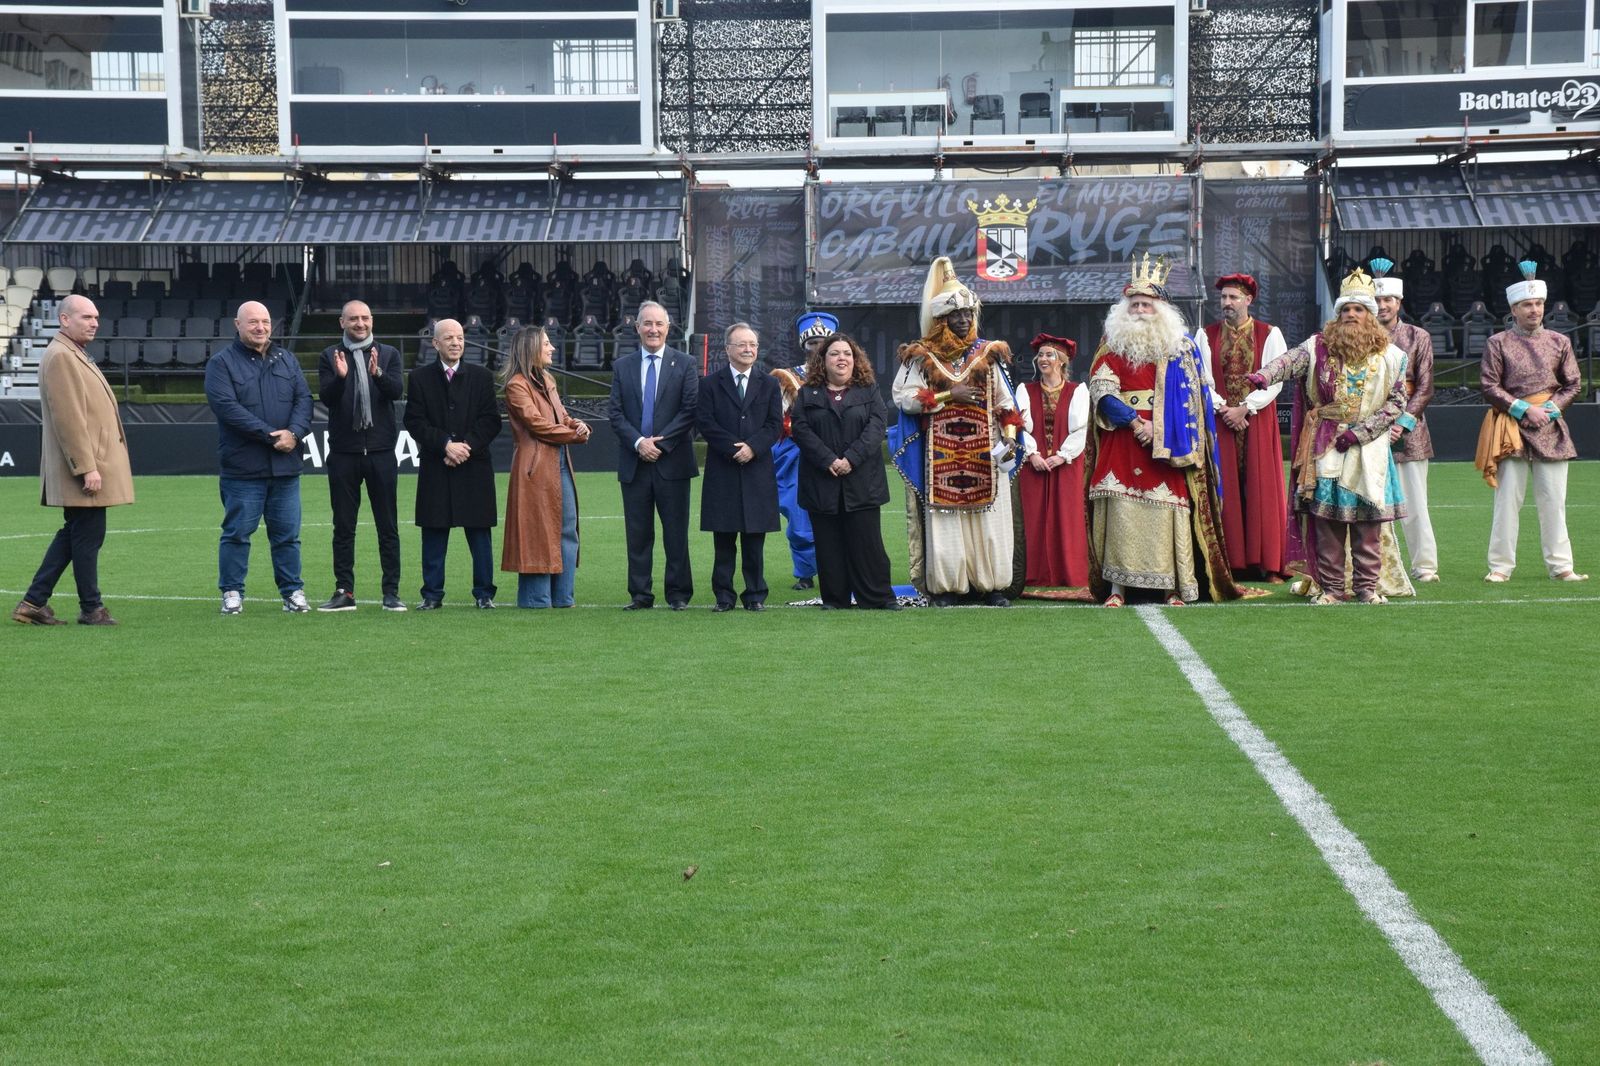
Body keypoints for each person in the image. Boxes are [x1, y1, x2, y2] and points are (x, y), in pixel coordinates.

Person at [1085, 254, 1240, 607]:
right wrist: (1135, 421)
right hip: (1123, 439)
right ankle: (1117, 590)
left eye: (1147, 304)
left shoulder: (1181, 348)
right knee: (1122, 514)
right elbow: (1102, 391)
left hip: (1169, 444)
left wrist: (1161, 428)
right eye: (1134, 304)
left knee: (1167, 513)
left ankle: (1174, 587)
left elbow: (1195, 403)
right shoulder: (1112, 347)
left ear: (1161, 309)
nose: (1140, 309)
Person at [1248, 269, 1409, 604]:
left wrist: (1361, 433)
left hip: (1370, 449)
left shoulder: (1393, 357)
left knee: (1368, 524)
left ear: (1370, 316)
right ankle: (1333, 588)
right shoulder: (1317, 347)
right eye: (1345, 310)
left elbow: (1397, 404)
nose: (1351, 315)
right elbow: (1289, 362)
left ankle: (1366, 588)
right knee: (1327, 523)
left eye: (1358, 309)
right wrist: (1264, 376)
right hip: (1326, 445)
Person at [891, 256, 1023, 607]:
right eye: (956, 315)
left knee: (988, 519)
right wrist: (951, 394)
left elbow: (1006, 404)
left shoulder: (988, 353)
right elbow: (904, 398)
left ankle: (991, 586)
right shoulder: (922, 356)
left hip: (986, 453)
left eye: (968, 314)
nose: (964, 320)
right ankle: (947, 588)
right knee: (945, 521)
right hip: (941, 455)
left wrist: (1009, 437)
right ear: (942, 318)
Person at [11, 295, 133, 627]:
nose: (94, 322)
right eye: (86, 317)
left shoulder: (71, 353)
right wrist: (86, 467)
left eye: (96, 317)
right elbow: (69, 419)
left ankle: (34, 602)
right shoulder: (63, 356)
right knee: (86, 535)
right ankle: (91, 608)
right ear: (65, 320)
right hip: (84, 467)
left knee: (77, 533)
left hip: (86, 464)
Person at [1475, 261, 1588, 583]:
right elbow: (1489, 385)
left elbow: (1573, 384)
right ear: (1514, 309)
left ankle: (1561, 566)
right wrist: (1524, 409)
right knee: (1507, 501)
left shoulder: (1559, 342)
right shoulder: (1497, 343)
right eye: (1527, 304)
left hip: (1551, 426)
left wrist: (1549, 410)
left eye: (1538, 303)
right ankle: (1500, 566)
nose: (1534, 309)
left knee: (1554, 501)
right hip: (1510, 428)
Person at [205, 300, 313, 615]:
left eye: (265, 322)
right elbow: (227, 408)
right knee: (237, 533)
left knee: (288, 536)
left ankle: (292, 592)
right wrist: (270, 436)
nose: (260, 328)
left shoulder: (287, 360)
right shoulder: (221, 363)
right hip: (243, 469)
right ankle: (232, 592)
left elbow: (304, 400)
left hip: (286, 467)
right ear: (237, 325)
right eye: (253, 322)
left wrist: (293, 432)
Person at [789, 333, 899, 610]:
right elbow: (800, 429)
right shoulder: (807, 393)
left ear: (855, 359)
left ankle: (878, 598)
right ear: (823, 361)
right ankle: (835, 599)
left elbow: (876, 427)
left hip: (862, 481)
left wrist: (850, 459)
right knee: (828, 546)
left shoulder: (869, 390)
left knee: (868, 544)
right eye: (835, 353)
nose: (841, 358)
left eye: (847, 354)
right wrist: (828, 460)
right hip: (821, 481)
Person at [1193, 272, 1289, 582]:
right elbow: (1202, 378)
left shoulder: (1269, 334)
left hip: (1258, 419)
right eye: (1223, 298)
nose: (1227, 303)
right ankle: (1231, 561)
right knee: (1225, 487)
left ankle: (1268, 562)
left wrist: (1246, 407)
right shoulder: (1205, 335)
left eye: (1233, 297)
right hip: (1221, 420)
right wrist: (1224, 408)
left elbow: (1277, 377)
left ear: (1248, 300)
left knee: (1262, 486)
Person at [403, 318, 503, 609]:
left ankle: (484, 594)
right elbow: (414, 421)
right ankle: (432, 595)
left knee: (480, 532)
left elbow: (491, 421)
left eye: (460, 337)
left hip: (474, 466)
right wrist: (445, 444)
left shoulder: (482, 376)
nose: (456, 342)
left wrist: (466, 446)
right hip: (437, 466)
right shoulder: (420, 378)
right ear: (435, 343)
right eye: (449, 338)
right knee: (434, 532)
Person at [607, 299, 699, 610]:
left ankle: (678, 594)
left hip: (672, 463)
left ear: (668, 328)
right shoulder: (622, 366)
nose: (653, 329)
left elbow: (689, 411)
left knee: (676, 535)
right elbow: (616, 414)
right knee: (638, 534)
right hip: (634, 464)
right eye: (647, 323)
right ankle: (640, 594)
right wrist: (638, 443)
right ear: (637, 328)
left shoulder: (685, 363)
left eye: (659, 324)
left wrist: (659, 445)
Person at [315, 299, 405, 612]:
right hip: (343, 453)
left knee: (388, 526)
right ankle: (344, 591)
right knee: (343, 526)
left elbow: (396, 391)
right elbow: (326, 398)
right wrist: (340, 378)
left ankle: (391, 592)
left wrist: (377, 372)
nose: (360, 324)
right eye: (353, 319)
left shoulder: (389, 353)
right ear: (342, 322)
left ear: (372, 321)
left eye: (365, 318)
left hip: (381, 452)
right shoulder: (330, 356)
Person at [500, 326, 591, 608]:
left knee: (567, 528)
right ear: (531, 349)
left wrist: (577, 425)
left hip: (559, 461)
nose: (552, 348)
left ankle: (563, 597)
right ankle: (537, 600)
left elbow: (561, 416)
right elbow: (537, 426)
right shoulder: (516, 385)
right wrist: (574, 435)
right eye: (547, 344)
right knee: (537, 532)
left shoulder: (547, 379)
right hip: (535, 468)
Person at [697, 322, 783, 612]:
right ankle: (724, 596)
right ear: (728, 349)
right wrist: (734, 448)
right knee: (723, 540)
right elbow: (705, 423)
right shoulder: (710, 383)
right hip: (723, 471)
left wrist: (753, 448)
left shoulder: (770, 383)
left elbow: (774, 425)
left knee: (754, 540)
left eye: (753, 345)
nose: (748, 349)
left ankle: (755, 594)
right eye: (742, 344)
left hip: (757, 470)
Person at [1370, 258, 1439, 582]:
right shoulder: (1358, 337)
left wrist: (1402, 422)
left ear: (1399, 303)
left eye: (1388, 300)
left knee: (1415, 503)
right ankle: (1377, 566)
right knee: (1372, 503)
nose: (1383, 305)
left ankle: (1424, 566)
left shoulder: (1417, 336)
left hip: (1410, 430)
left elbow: (1425, 386)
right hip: (1368, 428)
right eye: (1377, 300)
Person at [1015, 333, 1090, 595]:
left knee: (1066, 517)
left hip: (1066, 464)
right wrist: (1032, 454)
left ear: (1062, 361)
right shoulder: (1025, 390)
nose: (1044, 359)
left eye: (1050, 355)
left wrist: (1062, 455)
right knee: (1032, 517)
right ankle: (1032, 574)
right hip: (1032, 464)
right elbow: (1020, 426)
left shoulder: (1078, 391)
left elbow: (1081, 429)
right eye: (1041, 355)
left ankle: (1066, 573)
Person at [770, 311, 832, 590]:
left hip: (836, 454)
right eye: (812, 342)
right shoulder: (787, 378)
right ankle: (805, 572)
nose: (818, 348)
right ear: (804, 345)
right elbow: (779, 420)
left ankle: (838, 567)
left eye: (824, 342)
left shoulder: (849, 375)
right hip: (796, 455)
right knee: (798, 515)